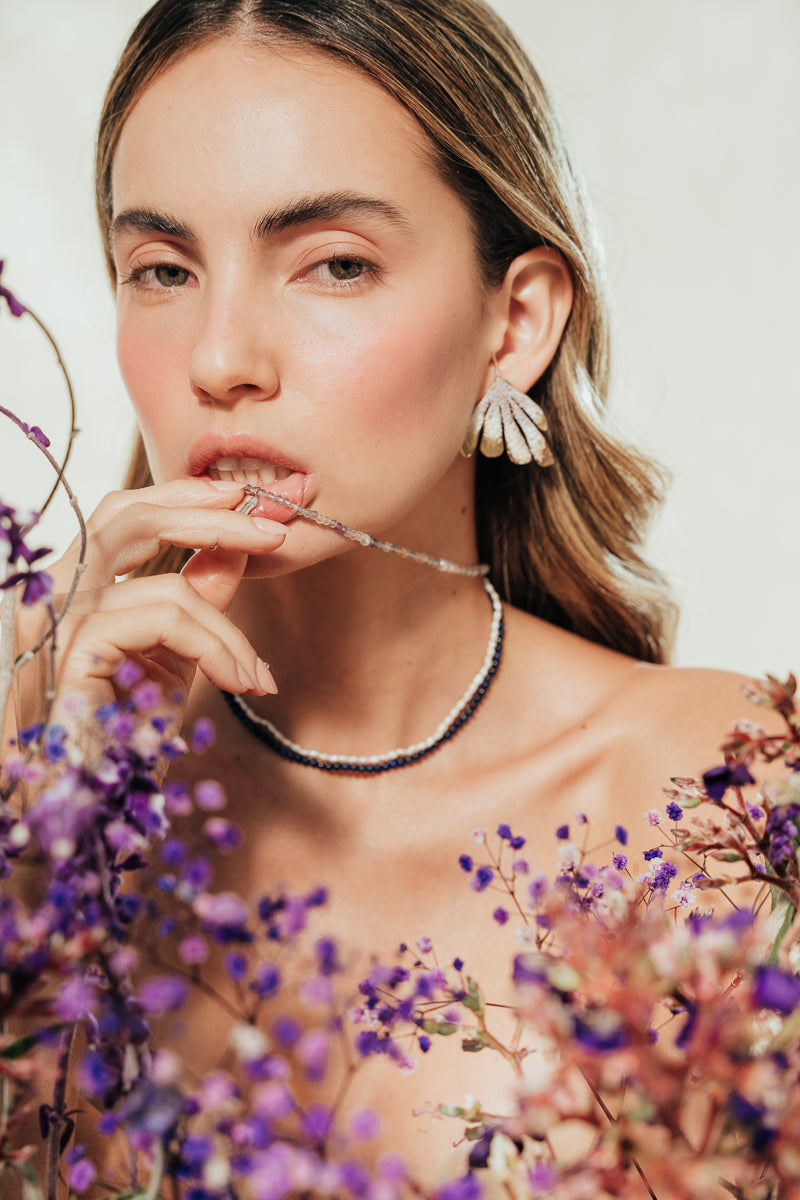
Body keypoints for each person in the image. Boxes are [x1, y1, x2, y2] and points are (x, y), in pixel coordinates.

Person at [7, 0, 771, 1182]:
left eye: (334, 265)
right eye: (161, 269)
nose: (219, 360)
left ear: (512, 322)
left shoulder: (731, 799)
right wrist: (48, 846)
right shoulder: (28, 759)